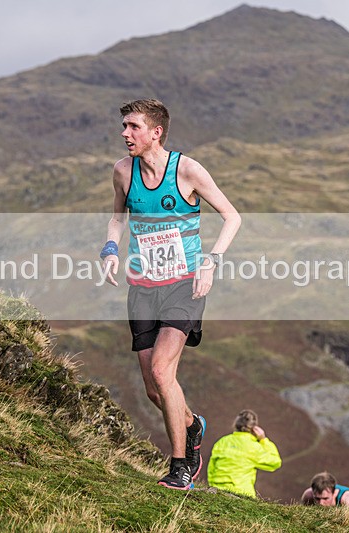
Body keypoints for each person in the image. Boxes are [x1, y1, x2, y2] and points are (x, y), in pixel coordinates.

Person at [101, 99, 241, 490]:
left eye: (133, 126)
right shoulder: (122, 172)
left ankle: (180, 467)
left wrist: (212, 261)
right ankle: (193, 425)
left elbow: (232, 216)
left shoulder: (187, 170)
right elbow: (117, 218)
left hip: (185, 284)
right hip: (143, 287)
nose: (125, 134)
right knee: (153, 389)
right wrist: (110, 250)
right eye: (123, 126)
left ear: (155, 132)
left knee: (164, 371)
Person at [207, 410, 282, 498]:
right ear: (254, 429)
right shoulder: (254, 447)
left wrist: (212, 485)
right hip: (242, 494)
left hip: (217, 490)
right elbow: (275, 462)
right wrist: (263, 439)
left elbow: (211, 469)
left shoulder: (222, 442)